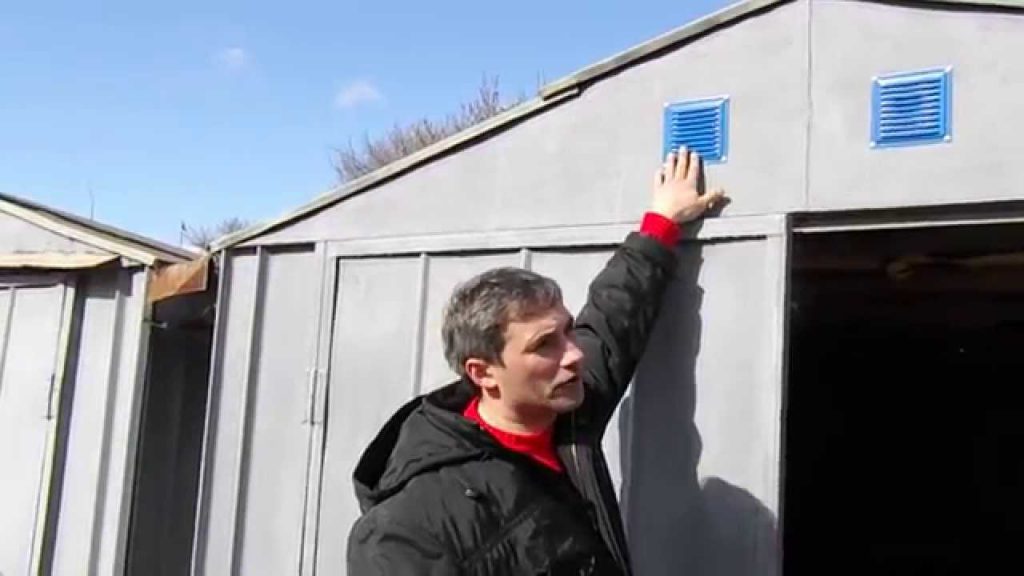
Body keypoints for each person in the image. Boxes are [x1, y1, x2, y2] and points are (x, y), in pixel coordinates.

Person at [347, 147, 724, 575]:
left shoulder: (564, 410)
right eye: (545, 344)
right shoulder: (406, 529)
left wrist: (662, 222)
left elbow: (612, 319)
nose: (574, 353)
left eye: (567, 331)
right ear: (483, 373)